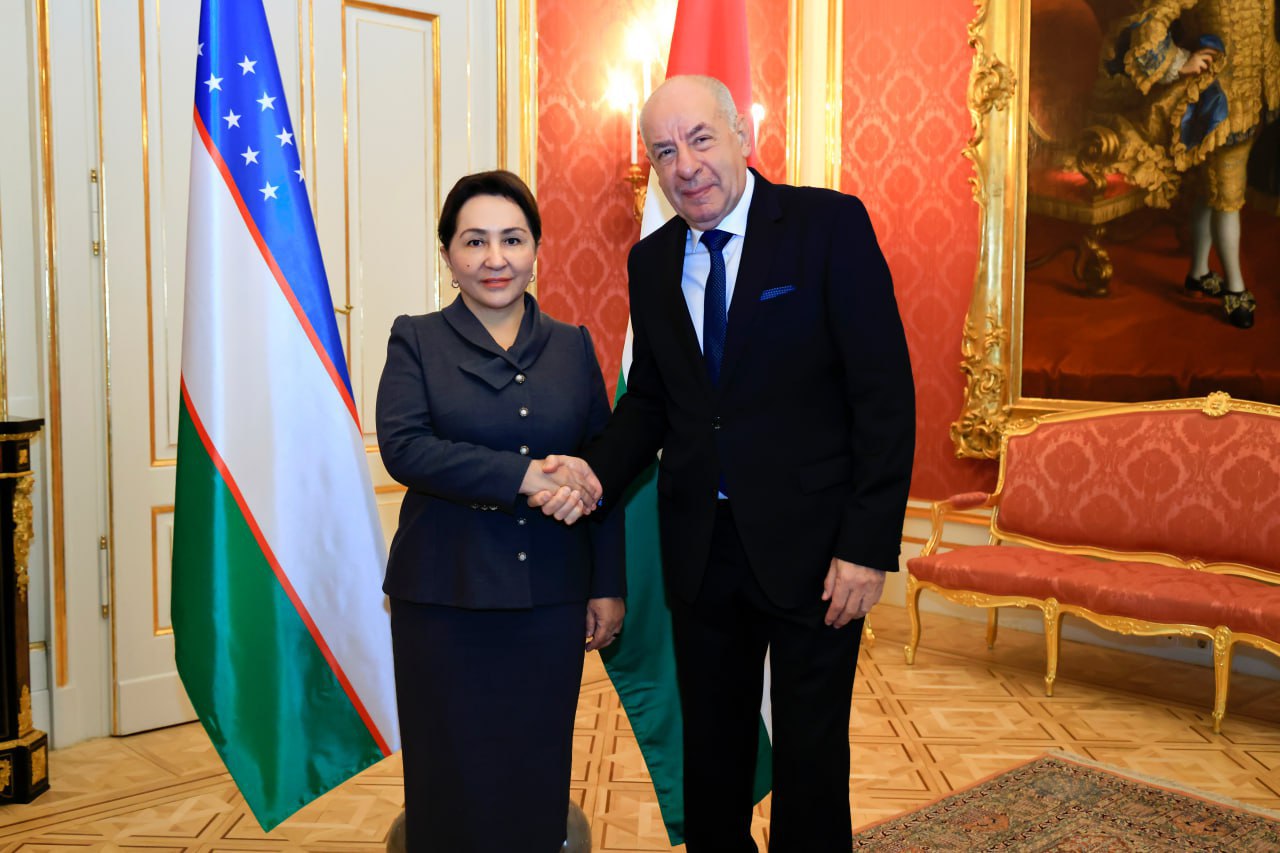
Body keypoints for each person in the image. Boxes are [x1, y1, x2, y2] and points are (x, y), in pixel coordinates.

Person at [534, 75, 915, 851]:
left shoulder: (826, 226)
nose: (686, 166)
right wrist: (592, 473)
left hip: (816, 554)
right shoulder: (652, 260)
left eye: (701, 139)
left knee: (811, 758)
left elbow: (884, 397)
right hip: (702, 552)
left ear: (742, 135)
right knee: (712, 755)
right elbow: (652, 402)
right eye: (664, 151)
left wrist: (866, 546)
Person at [376, 170, 624, 852]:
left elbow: (601, 471)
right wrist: (525, 476)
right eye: (474, 240)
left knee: (534, 761)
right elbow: (405, 448)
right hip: (443, 594)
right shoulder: (416, 339)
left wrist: (607, 583)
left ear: (536, 248)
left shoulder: (573, 345)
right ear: (447, 254)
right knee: (446, 764)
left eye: (512, 239)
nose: (495, 258)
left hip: (551, 595)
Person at [1090, 0, 1279, 328]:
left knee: (1210, 192)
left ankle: (1198, 273)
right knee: (1227, 199)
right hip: (1218, 108)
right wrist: (1178, 62)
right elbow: (1154, 19)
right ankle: (1235, 288)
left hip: (1254, 100)